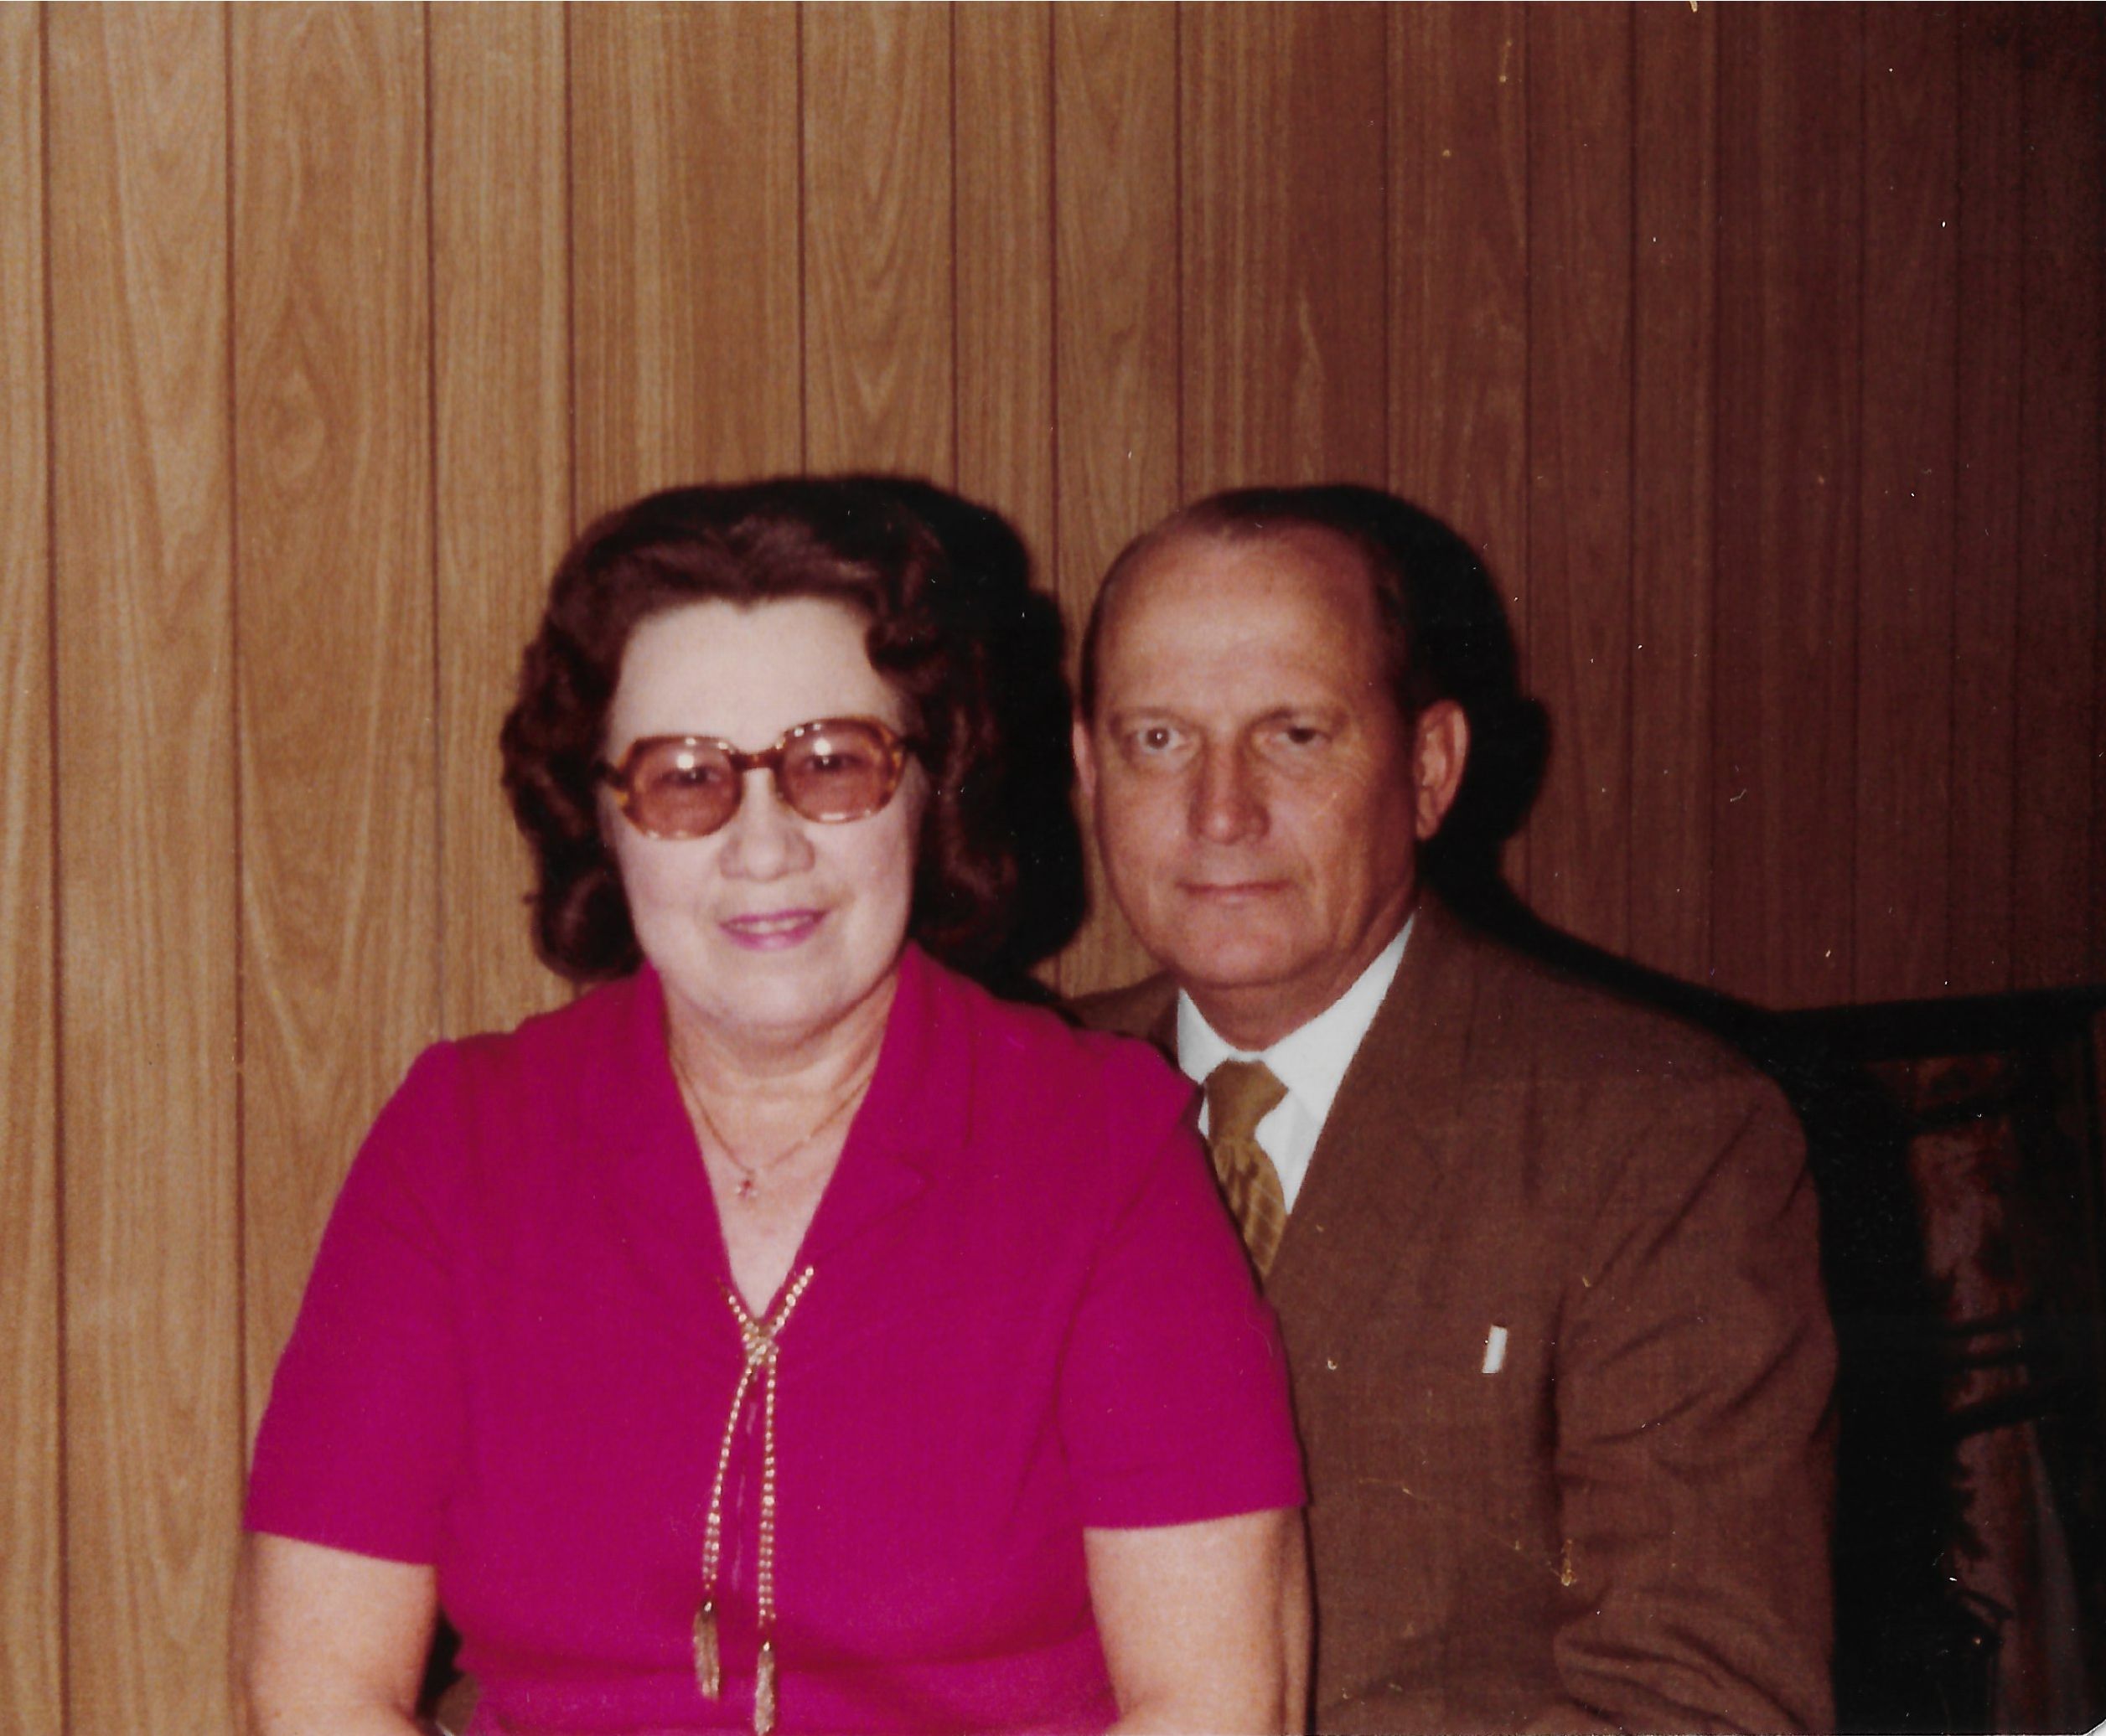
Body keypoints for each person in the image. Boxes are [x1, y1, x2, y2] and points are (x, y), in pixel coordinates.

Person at [237, 478, 1309, 1736]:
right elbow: (316, 1690)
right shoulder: (459, 1145)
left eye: (829, 765)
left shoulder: (1100, 1150)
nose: (763, 845)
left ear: (930, 788)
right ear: (603, 817)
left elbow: (1213, 1705)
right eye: (685, 777)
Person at [1071, 484, 1835, 1734]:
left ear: (1428, 769)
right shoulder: (1014, 1103)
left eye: (1294, 737)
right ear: (1088, 771)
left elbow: (1699, 1706)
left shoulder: (1655, 1139)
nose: (1220, 812)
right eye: (1159, 739)